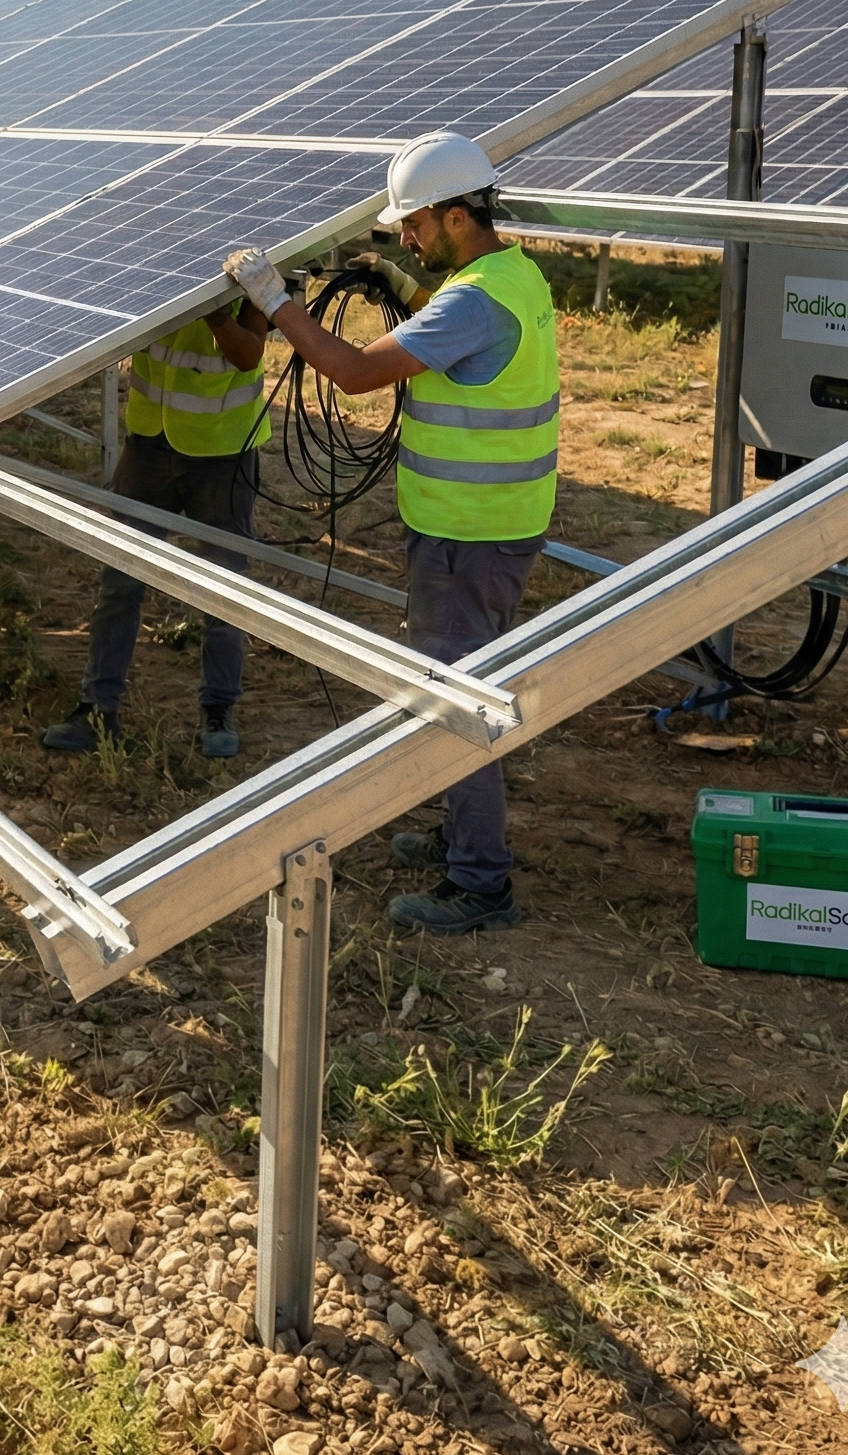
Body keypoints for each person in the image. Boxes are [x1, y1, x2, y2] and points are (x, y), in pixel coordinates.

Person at [225, 130, 557, 934]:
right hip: (495, 525)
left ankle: (480, 882)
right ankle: (461, 834)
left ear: (454, 216)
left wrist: (274, 303)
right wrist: (404, 287)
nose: (405, 237)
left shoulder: (472, 301)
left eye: (414, 224)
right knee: (466, 683)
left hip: (466, 536)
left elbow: (356, 371)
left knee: (456, 699)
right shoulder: (511, 276)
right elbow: (454, 340)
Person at [40, 295, 272, 761]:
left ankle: (218, 708)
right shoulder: (147, 253)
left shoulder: (249, 267)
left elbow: (248, 354)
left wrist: (215, 313)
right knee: (120, 580)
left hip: (221, 450)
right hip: (148, 441)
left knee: (222, 587)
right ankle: (97, 708)